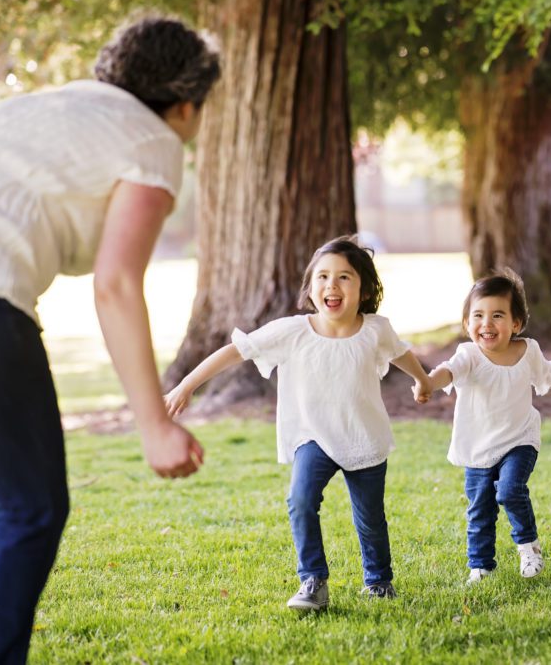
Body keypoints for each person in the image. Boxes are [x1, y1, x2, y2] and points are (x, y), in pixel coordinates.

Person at [0, 16, 220, 664]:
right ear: (184, 105)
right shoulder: (154, 140)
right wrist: (153, 424)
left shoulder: (50, 107)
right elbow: (116, 282)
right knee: (28, 513)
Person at [165, 236, 432, 610]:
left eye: (344, 277)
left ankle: (378, 581)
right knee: (301, 500)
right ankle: (313, 581)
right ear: (310, 287)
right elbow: (235, 351)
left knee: (370, 519)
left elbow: (402, 353)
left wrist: (422, 380)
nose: (332, 286)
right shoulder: (292, 331)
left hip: (364, 436)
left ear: (364, 288)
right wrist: (186, 384)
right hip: (314, 436)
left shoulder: (375, 329)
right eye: (322, 277)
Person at [420, 271, 551, 584]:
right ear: (466, 324)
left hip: (520, 439)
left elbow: (549, 376)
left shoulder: (527, 351)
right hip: (479, 446)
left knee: (509, 490)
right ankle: (481, 566)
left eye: (498, 315)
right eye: (478, 315)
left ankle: (528, 547)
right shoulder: (469, 356)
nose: (487, 324)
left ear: (516, 323)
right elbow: (448, 372)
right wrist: (427, 383)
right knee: (479, 509)